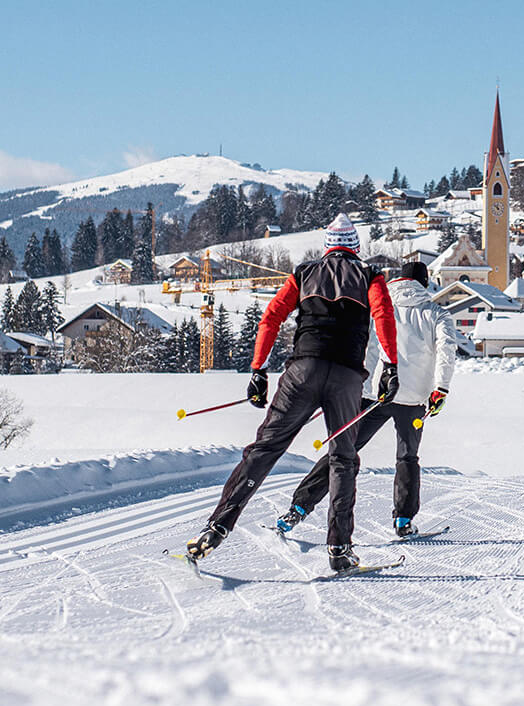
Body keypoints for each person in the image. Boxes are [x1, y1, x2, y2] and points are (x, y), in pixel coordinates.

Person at [185, 214, 398, 572]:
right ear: (356, 246)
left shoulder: (304, 272)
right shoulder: (370, 275)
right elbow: (383, 316)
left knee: (266, 449)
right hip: (346, 377)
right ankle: (340, 549)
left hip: (302, 371)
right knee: (343, 459)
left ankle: (217, 526)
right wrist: (390, 366)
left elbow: (270, 318)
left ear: (328, 245)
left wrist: (258, 371)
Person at [278, 260, 456, 539]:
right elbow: (447, 351)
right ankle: (403, 521)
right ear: (424, 283)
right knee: (407, 457)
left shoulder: (379, 308)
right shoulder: (437, 314)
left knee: (342, 451)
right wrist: (440, 389)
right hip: (414, 401)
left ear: (398, 281)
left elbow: (360, 344)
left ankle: (299, 507)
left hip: (375, 393)